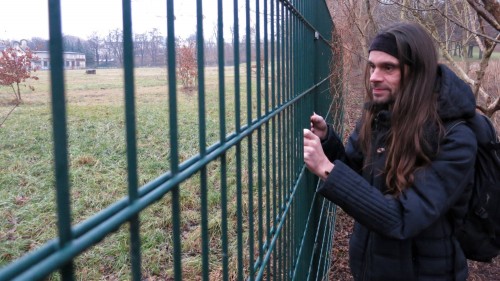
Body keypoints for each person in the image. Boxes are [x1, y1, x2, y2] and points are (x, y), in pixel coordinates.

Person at [303, 22, 477, 281]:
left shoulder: (455, 138)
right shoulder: (379, 116)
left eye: (388, 67)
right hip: (371, 267)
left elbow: (402, 219)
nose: (373, 76)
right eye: (372, 66)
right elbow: (359, 178)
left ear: (418, 72)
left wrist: (327, 170)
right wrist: (328, 142)